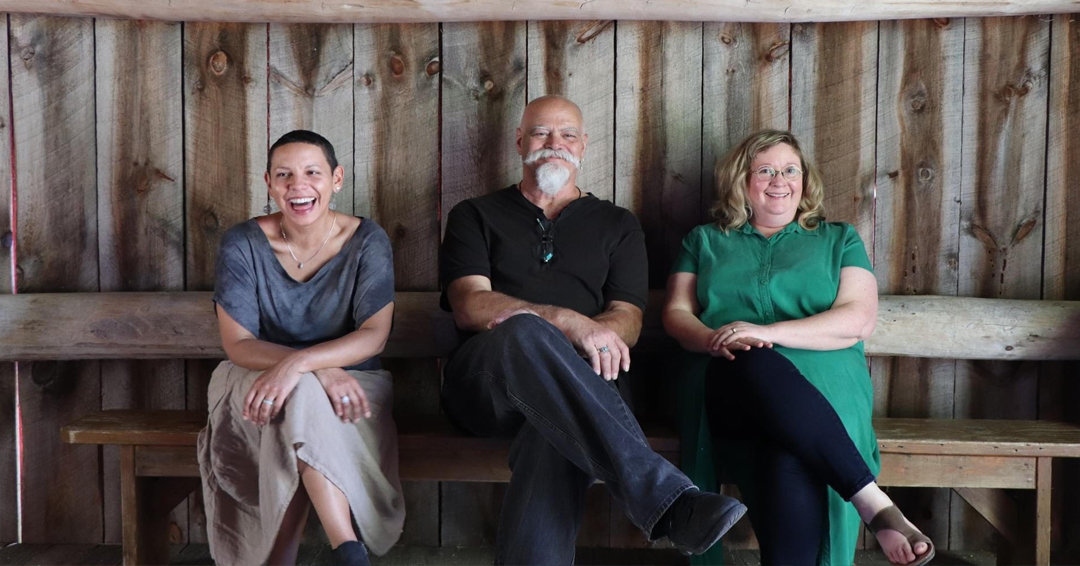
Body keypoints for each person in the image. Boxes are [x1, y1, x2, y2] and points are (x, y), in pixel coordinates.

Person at [439, 95, 747, 565]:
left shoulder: (617, 224)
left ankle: (674, 507)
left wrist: (592, 338)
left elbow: (629, 317)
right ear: (520, 141)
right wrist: (568, 322)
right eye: (541, 132)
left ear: (584, 146)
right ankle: (668, 500)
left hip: (588, 384)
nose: (553, 144)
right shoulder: (475, 214)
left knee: (556, 428)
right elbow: (470, 304)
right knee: (525, 331)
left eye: (567, 135)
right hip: (488, 384)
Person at [662, 129, 934, 566]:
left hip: (822, 394)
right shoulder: (705, 241)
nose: (780, 180)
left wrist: (770, 333)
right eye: (765, 170)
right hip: (727, 382)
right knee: (753, 363)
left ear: (805, 181)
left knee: (789, 446)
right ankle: (870, 500)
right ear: (740, 181)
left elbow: (858, 319)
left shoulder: (839, 239)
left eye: (791, 170)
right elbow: (676, 314)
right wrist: (712, 338)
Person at [197, 130, 403, 566]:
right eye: (285, 175)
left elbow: (374, 336)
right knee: (297, 396)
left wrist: (305, 365)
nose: (298, 185)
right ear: (269, 183)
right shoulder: (242, 243)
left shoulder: (368, 241)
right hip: (253, 378)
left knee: (299, 397)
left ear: (337, 179)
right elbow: (238, 344)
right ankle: (348, 549)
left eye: (312, 173)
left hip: (353, 387)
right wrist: (312, 371)